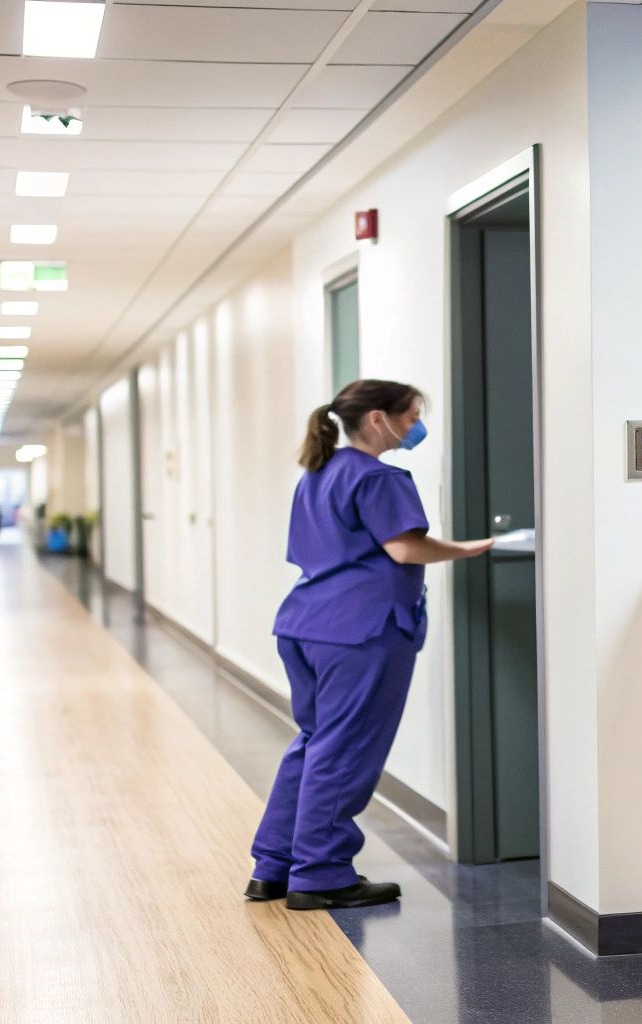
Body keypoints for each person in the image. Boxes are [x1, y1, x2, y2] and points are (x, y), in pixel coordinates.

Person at [245, 379, 493, 910]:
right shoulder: (380, 478)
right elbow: (405, 549)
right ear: (378, 419)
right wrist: (471, 548)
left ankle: (274, 867)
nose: (416, 427)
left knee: (315, 742)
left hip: (306, 623)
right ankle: (323, 874)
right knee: (345, 749)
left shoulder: (319, 472)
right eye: (412, 416)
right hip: (360, 630)